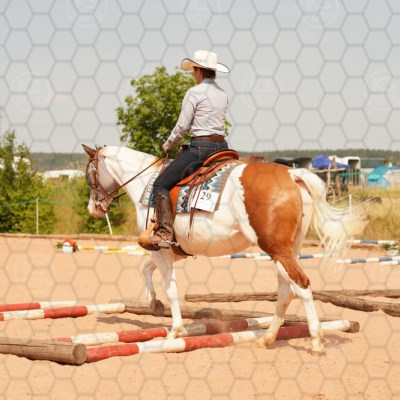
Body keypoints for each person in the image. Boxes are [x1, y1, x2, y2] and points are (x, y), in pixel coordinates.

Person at [150, 50, 230, 248]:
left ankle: (164, 232)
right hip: (222, 148)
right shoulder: (222, 93)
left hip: (201, 149)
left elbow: (182, 126)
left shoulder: (194, 93)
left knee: (160, 184)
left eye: (194, 70)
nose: (193, 74)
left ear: (199, 71)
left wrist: (168, 144)